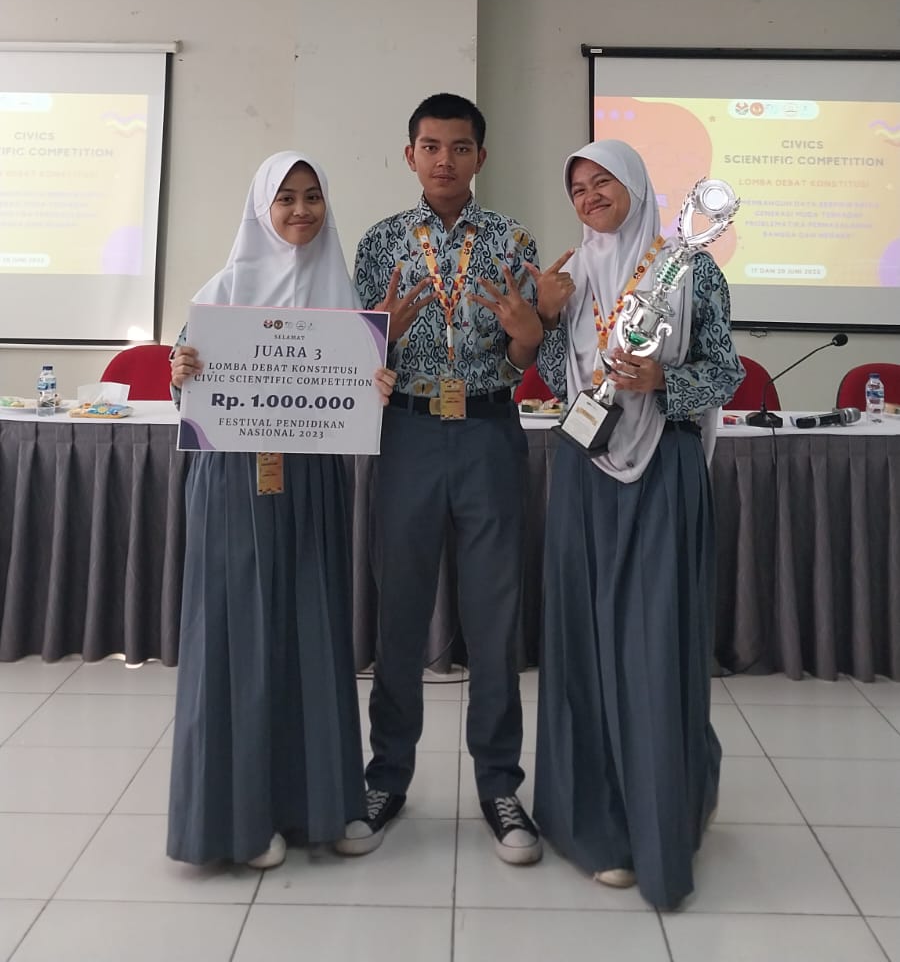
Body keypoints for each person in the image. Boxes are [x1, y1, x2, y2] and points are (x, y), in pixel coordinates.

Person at [167, 152, 395, 869]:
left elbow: (357, 393)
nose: (301, 210)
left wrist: (376, 386)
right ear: (262, 208)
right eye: (286, 198)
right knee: (241, 636)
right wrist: (182, 370)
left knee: (313, 631)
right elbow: (188, 389)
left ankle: (324, 806)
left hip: (313, 481)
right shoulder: (224, 288)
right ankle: (241, 819)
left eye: (313, 196)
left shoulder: (342, 295)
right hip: (235, 482)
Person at [531, 139, 744, 909]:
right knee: (585, 645)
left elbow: (726, 369)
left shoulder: (690, 270)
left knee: (653, 645)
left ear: (635, 185)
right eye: (577, 187)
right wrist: (547, 321)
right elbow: (558, 377)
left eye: (603, 182)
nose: (590, 196)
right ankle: (592, 823)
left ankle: (658, 820)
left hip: (662, 472)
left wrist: (665, 378)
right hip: (584, 471)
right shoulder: (572, 275)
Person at [353, 93, 545, 864]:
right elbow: (353, 356)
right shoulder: (379, 243)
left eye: (459, 147)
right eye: (430, 147)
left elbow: (529, 353)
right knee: (399, 613)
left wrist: (527, 341)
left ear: (480, 157)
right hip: (407, 433)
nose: (444, 160)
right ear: (410, 156)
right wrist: (379, 337)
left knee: (494, 619)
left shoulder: (513, 239)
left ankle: (500, 784)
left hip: (490, 431)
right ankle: (385, 777)